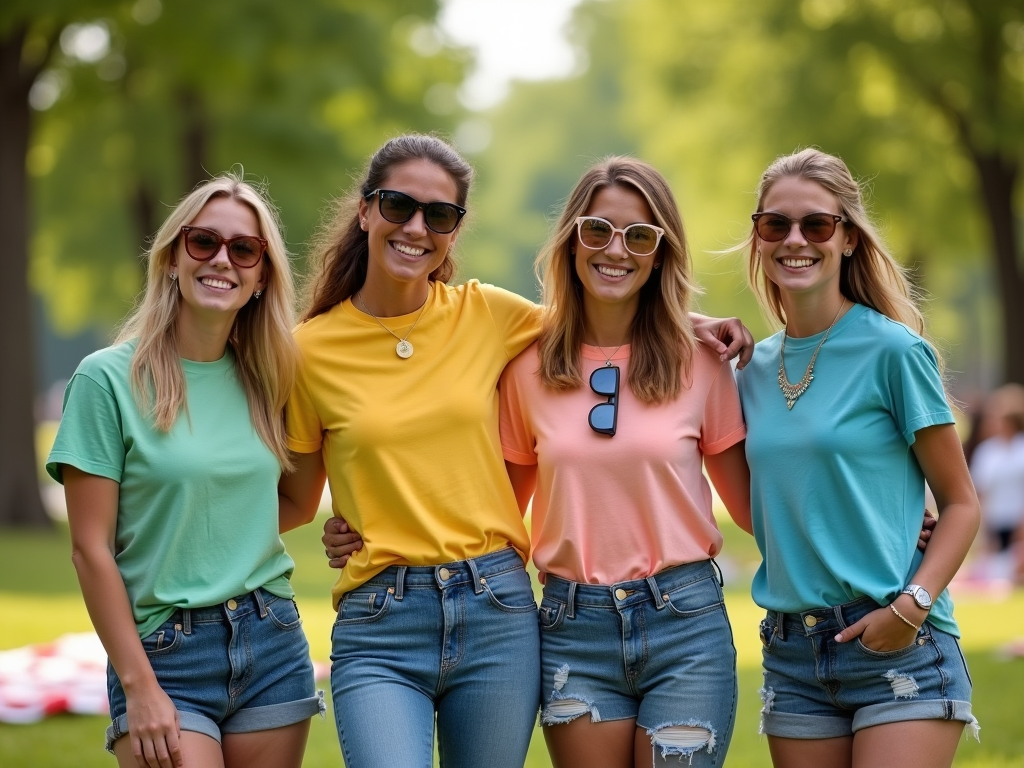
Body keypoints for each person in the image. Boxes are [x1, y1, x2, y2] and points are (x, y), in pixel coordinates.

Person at [286, 134, 753, 768]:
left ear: (455, 231)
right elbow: (300, 495)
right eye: (398, 205)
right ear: (365, 209)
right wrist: (365, 521)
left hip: (564, 611)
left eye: (440, 215)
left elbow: (604, 316)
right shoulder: (313, 350)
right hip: (419, 613)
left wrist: (692, 322)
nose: (417, 227)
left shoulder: (494, 318)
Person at [46, 173, 322, 768]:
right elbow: (90, 550)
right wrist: (139, 686)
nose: (222, 259)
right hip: (164, 652)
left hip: (271, 639)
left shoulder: (272, 378)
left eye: (244, 249)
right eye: (203, 242)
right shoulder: (106, 381)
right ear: (173, 258)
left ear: (261, 277)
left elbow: (296, 502)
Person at [497, 157, 753, 767]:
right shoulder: (523, 366)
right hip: (571, 629)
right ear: (571, 241)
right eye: (598, 230)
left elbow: (754, 508)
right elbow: (498, 515)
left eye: (639, 235)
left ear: (661, 253)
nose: (616, 249)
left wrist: (901, 517)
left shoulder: (703, 362)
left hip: (684, 624)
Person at [735, 148, 981, 768]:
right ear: (759, 238)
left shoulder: (894, 352)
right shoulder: (751, 369)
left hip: (898, 640)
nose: (796, 240)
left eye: (816, 224)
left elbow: (960, 503)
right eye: (776, 225)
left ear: (846, 238)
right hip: (792, 648)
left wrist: (912, 606)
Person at [970, 384, 1024, 572]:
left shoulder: (1021, 449)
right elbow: (981, 494)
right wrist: (985, 534)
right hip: (995, 524)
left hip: (1018, 522)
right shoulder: (986, 452)